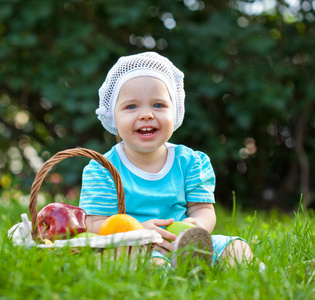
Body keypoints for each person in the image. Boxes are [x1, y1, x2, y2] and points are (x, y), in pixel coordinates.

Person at [79, 52, 258, 268]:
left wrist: (196, 225)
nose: (146, 114)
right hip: (136, 248)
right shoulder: (103, 169)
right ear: (112, 116)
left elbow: (203, 209)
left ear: (176, 112)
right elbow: (95, 224)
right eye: (131, 107)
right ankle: (175, 277)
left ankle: (267, 275)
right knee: (150, 264)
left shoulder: (191, 162)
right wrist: (137, 232)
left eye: (158, 105)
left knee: (235, 247)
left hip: (184, 245)